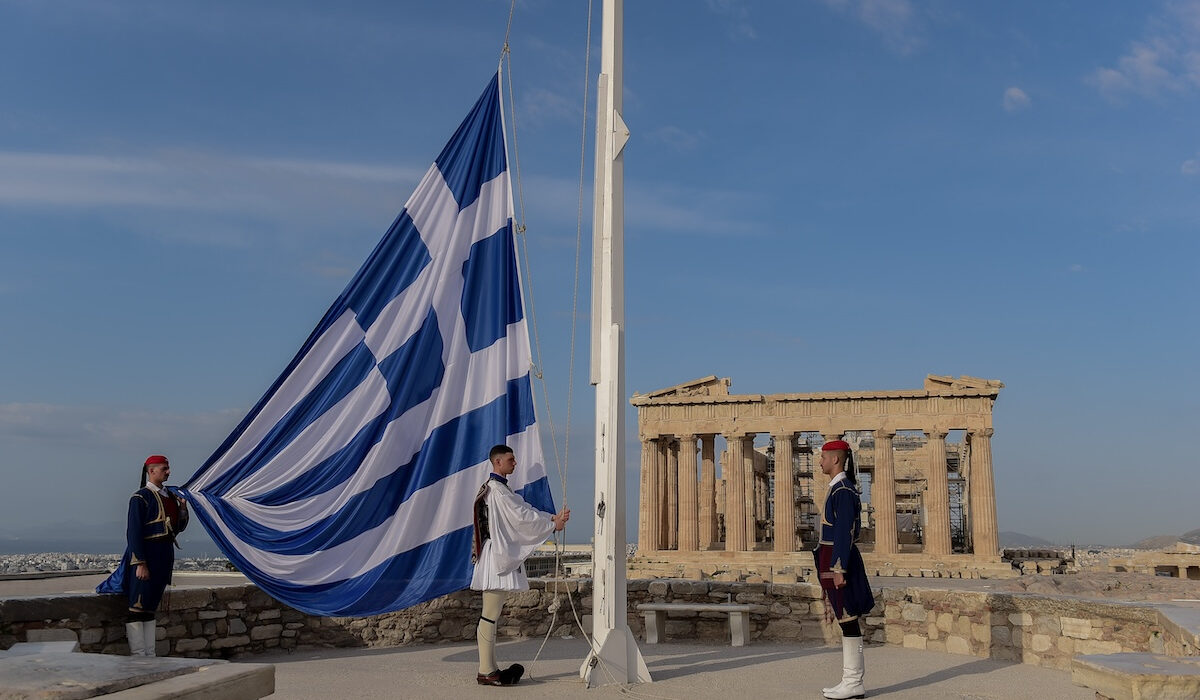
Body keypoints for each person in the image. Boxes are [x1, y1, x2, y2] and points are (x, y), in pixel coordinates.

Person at [471, 444, 569, 686]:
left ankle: (489, 668)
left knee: (490, 615)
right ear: (497, 462)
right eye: (510, 459)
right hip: (496, 557)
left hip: (494, 555)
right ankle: (486, 670)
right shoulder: (498, 491)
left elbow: (523, 509)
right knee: (490, 615)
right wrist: (551, 525)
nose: (515, 463)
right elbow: (521, 517)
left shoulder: (499, 489)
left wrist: (551, 519)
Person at [96, 455, 189, 656]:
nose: (168, 472)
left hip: (163, 556)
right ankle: (139, 655)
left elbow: (177, 528)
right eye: (164, 468)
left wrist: (183, 508)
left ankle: (150, 654)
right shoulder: (140, 497)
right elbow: (134, 532)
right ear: (151, 470)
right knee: (137, 607)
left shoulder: (170, 497)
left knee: (150, 607)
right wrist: (140, 562)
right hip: (147, 555)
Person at [814, 439, 875, 699]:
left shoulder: (843, 490)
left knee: (849, 619)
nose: (820, 461)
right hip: (833, 559)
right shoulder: (839, 489)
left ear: (836, 459)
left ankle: (854, 682)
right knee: (844, 619)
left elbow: (844, 530)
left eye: (823, 457)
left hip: (840, 562)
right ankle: (850, 680)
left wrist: (839, 567)